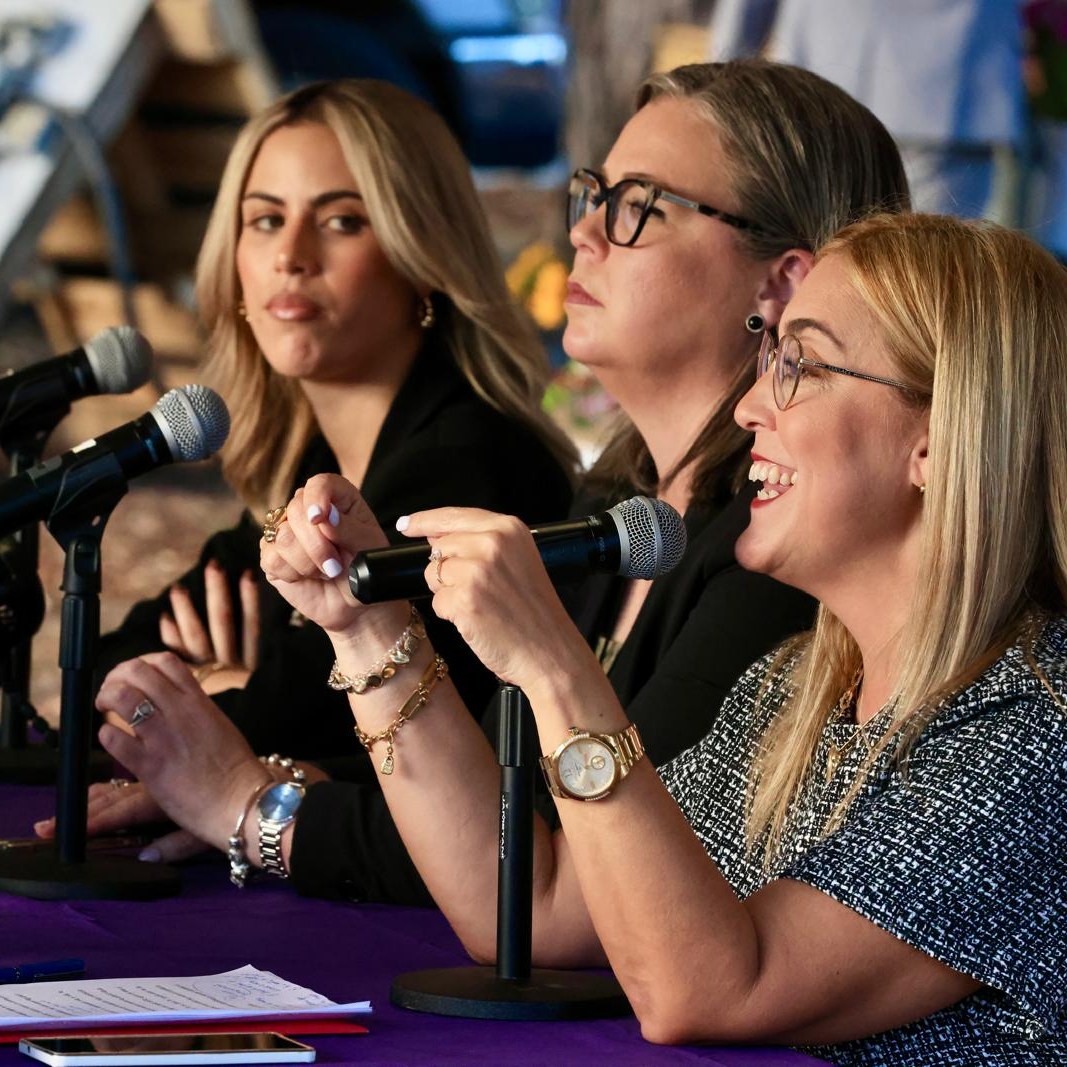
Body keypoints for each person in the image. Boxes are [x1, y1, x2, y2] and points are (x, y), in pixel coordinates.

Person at [108, 212, 1066, 1062]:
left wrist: (555, 668)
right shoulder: (799, 685)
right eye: (768, 357)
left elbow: (713, 989)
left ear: (936, 439)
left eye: (802, 366)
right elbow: (540, 907)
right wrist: (368, 632)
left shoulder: (1032, 733)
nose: (748, 408)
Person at [52, 60, 907, 900]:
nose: (583, 233)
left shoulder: (775, 549)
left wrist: (249, 800)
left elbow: (566, 866)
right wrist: (283, 775)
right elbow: (499, 791)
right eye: (593, 195)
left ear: (781, 281)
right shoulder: (614, 503)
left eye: (639, 206)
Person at [708, 0, 1026, 220]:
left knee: (824, 252)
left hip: (825, 80)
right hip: (951, 90)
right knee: (927, 269)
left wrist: (724, 80)